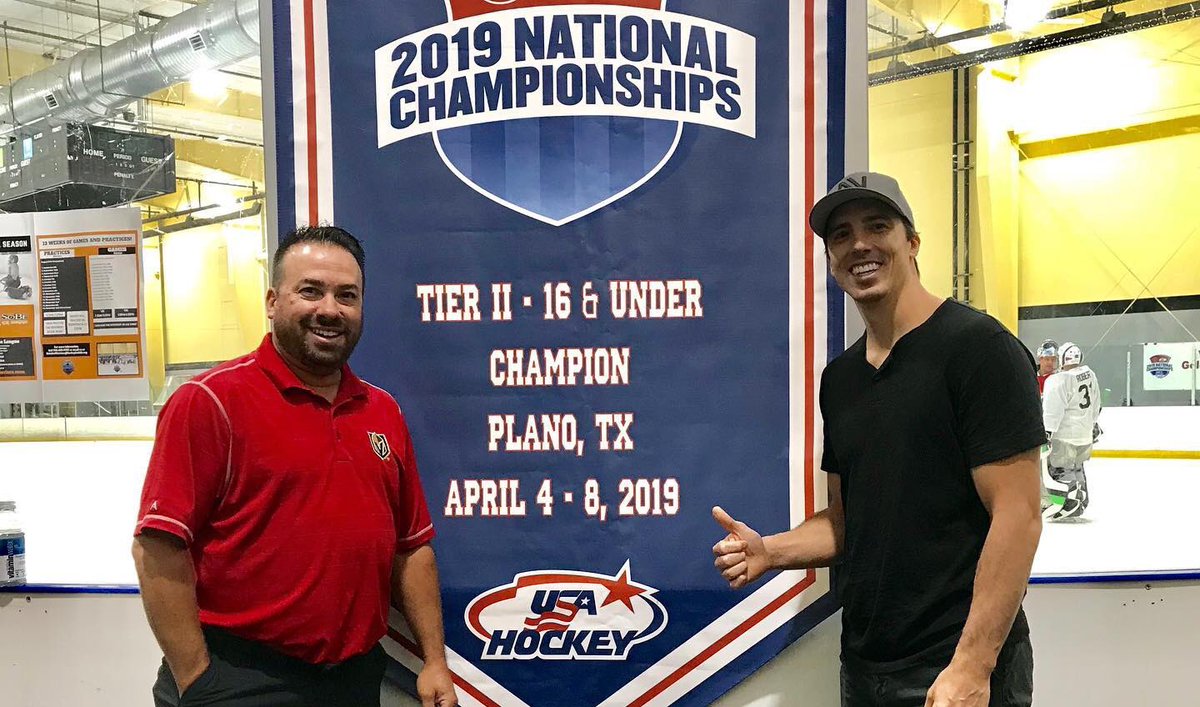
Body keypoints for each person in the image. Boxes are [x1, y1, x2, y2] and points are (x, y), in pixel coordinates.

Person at [712, 172, 1043, 707]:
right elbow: (849, 524)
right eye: (840, 235)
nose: (858, 244)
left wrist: (972, 666)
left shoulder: (979, 349)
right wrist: (770, 551)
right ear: (829, 258)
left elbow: (1019, 514)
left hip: (954, 668)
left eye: (877, 225)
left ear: (912, 243)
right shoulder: (840, 380)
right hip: (865, 668)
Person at [132, 225, 458, 707]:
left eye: (347, 295)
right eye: (311, 291)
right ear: (272, 301)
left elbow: (410, 549)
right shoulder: (210, 402)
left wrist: (434, 660)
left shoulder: (381, 411)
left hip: (353, 679)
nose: (329, 309)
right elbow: (157, 549)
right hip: (239, 678)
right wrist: (198, 681)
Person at [1041, 342, 1102, 521]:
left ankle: (1069, 502)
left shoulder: (1059, 380)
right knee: (1077, 468)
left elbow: (1053, 410)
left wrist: (1047, 433)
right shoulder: (1089, 374)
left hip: (1065, 436)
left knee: (1060, 469)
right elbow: (1096, 404)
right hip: (1084, 435)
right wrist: (1092, 425)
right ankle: (1081, 500)